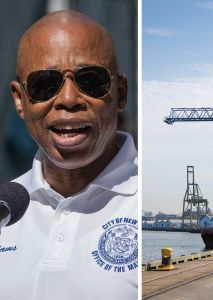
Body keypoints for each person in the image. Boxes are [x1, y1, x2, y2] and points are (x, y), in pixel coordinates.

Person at [0, 10, 137, 300]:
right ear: (19, 100)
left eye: (90, 80)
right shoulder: (4, 211)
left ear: (121, 93)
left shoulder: (141, 198)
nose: (68, 100)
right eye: (44, 85)